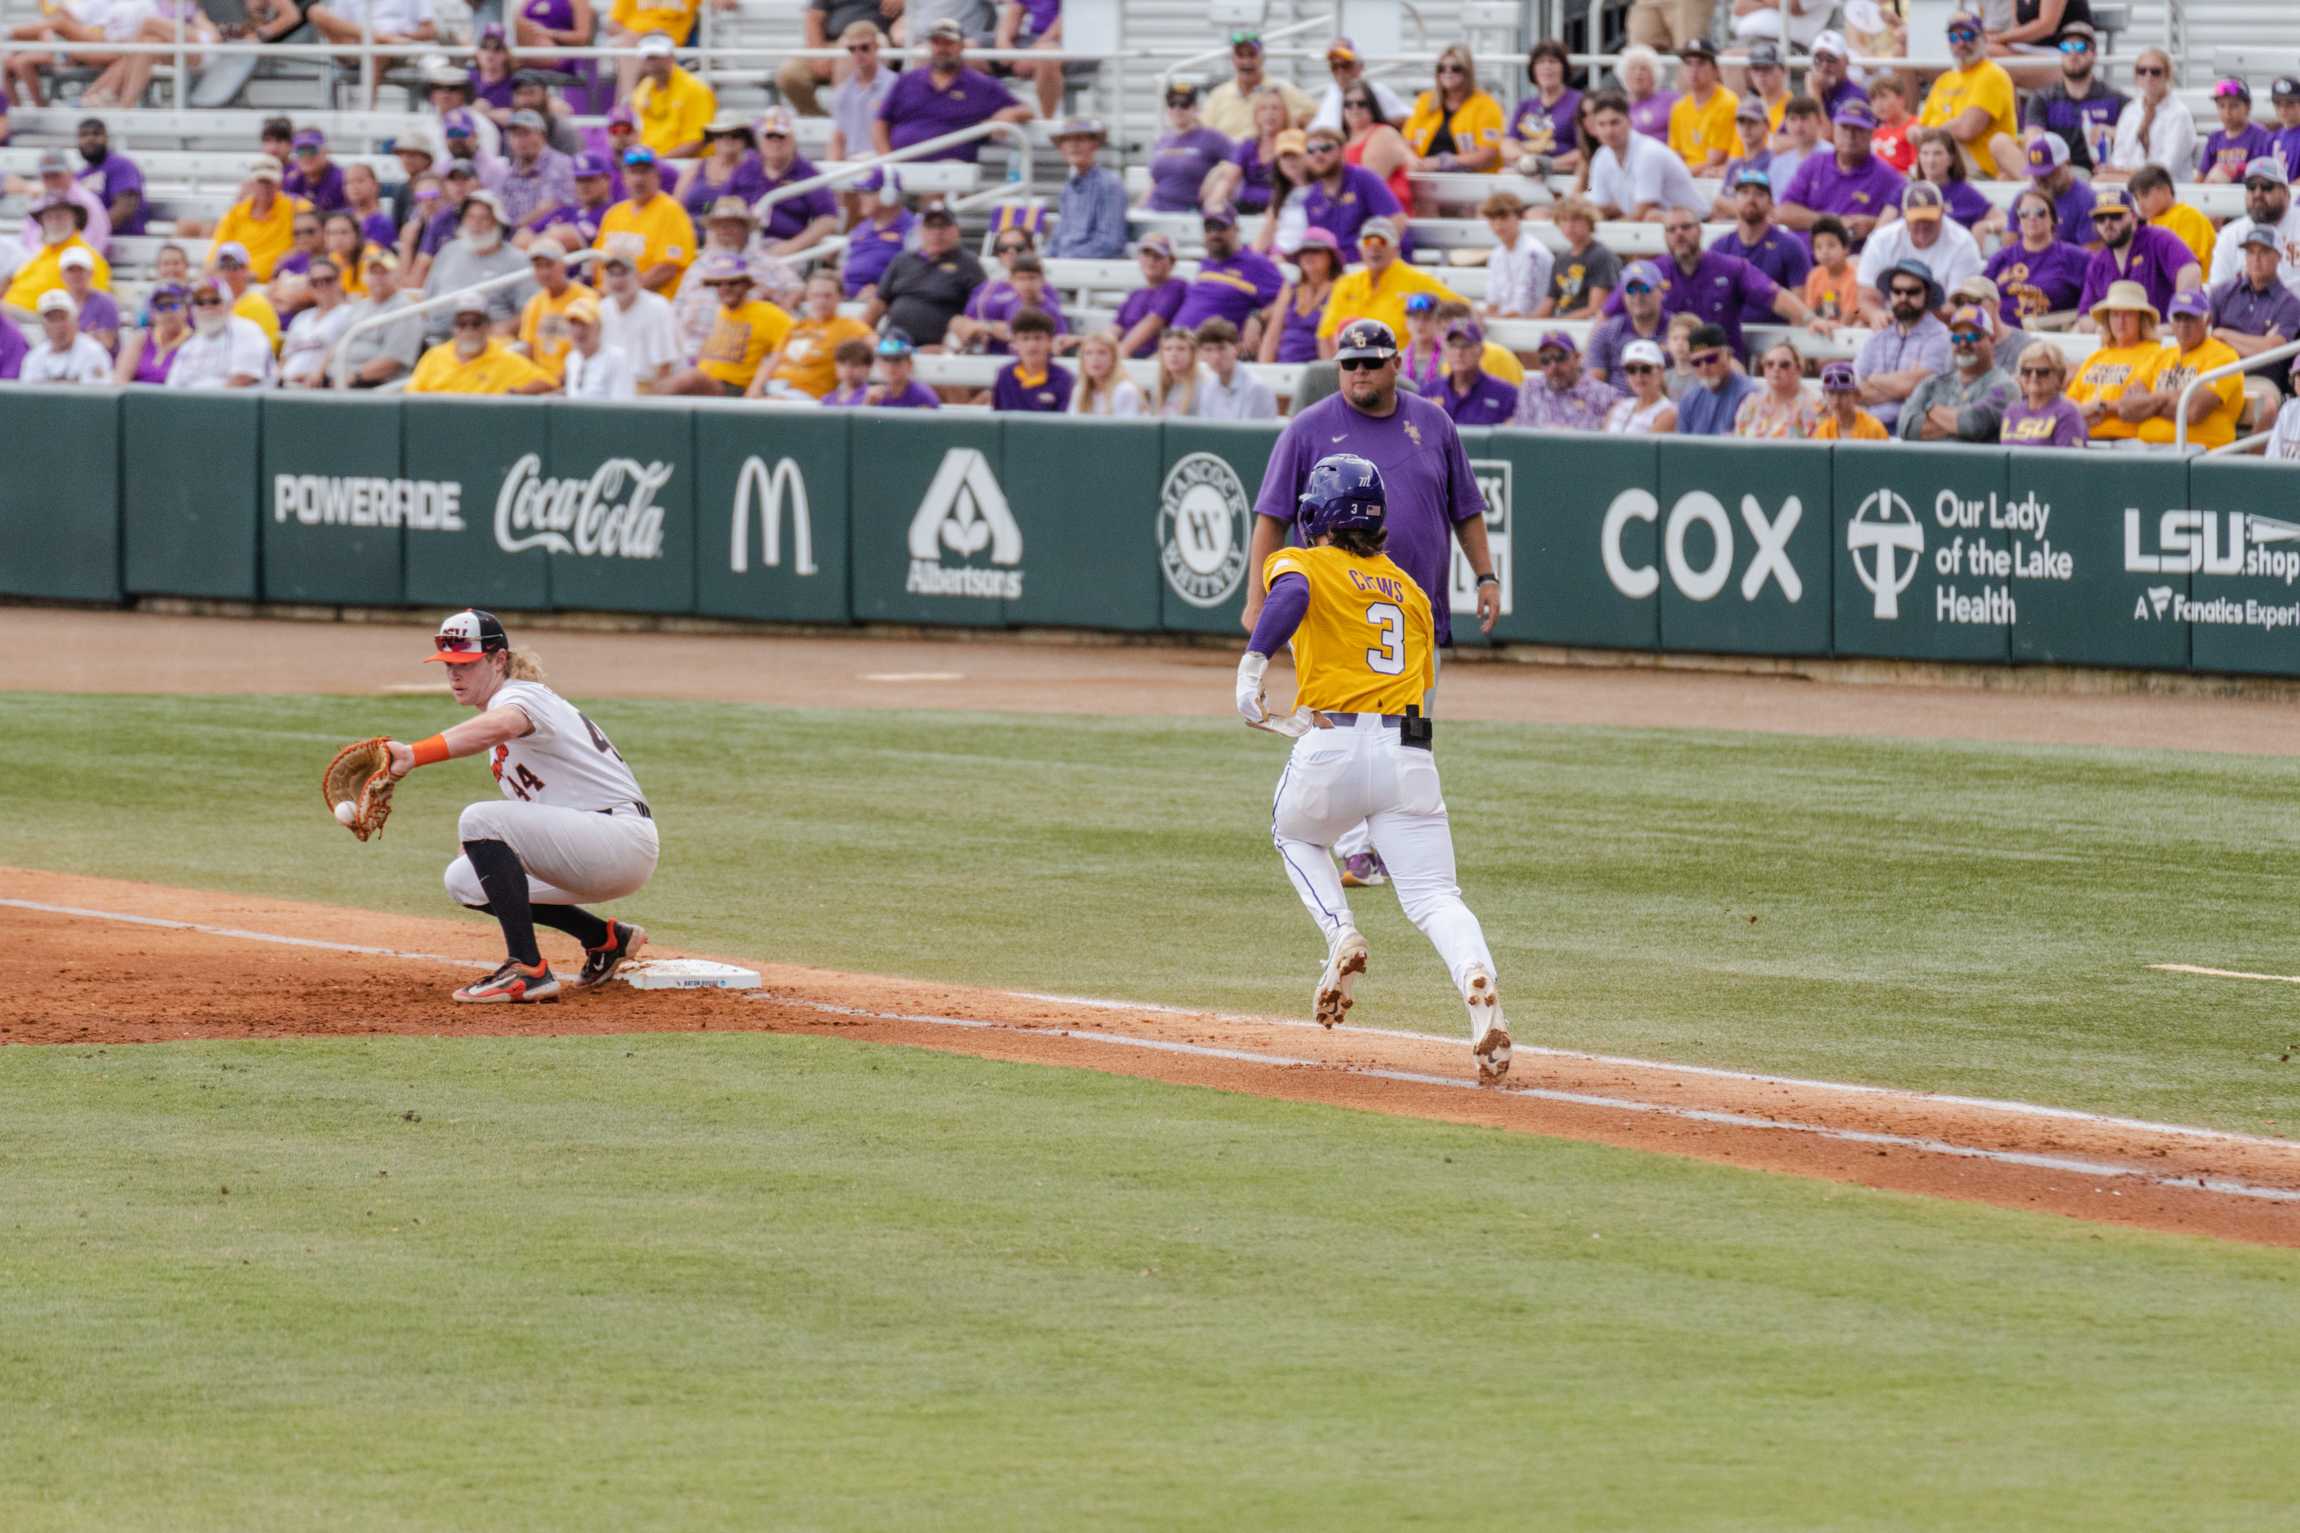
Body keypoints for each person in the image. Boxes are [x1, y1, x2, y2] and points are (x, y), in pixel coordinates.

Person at [1236, 451, 1510, 1075]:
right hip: (1409, 748)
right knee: (1437, 897)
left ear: (1317, 515)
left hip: (1332, 743)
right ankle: (1476, 982)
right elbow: (1421, 685)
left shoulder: (1302, 562)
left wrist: (1253, 667)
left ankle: (1341, 935)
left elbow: (1292, 595)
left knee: (1294, 834)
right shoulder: (1411, 591)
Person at [1246, 318, 1500, 892]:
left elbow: (1466, 508)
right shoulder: (1308, 429)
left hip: (1416, 609)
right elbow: (1272, 515)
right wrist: (1257, 598)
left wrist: (1486, 575)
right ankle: (1360, 847)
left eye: (1371, 361)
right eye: (1349, 363)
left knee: (1408, 725)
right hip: (1334, 610)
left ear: (1395, 364)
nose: (1360, 371)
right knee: (1339, 718)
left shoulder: (1432, 423)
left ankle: (1391, 841)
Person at [375, 610, 657, 1004]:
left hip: (617, 839)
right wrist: (480, 849)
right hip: (593, 845)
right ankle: (605, 938)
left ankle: (528, 968)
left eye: (466, 664)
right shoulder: (504, 724)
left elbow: (502, 724)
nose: (455, 675)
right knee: (464, 878)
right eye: (449, 665)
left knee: (477, 816)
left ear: (498, 660)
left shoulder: (520, 695)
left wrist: (413, 754)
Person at [1611, 206, 1815, 361]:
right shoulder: (1652, 273)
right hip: (1672, 370)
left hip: (1723, 368)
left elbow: (1774, 296)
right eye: (1671, 230)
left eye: (1686, 227)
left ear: (1700, 231)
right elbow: (1608, 311)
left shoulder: (1730, 267)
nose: (1679, 234)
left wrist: (1810, 319)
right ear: (1665, 236)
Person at [874, 19, 1032, 165]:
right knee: (861, 184)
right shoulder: (907, 81)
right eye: (937, 42)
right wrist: (887, 162)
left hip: (949, 173)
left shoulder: (980, 85)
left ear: (962, 46)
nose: (942, 48)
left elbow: (1026, 110)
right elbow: (881, 121)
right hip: (899, 166)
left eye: (949, 43)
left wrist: (1009, 114)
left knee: (938, 189)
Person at [2118, 288, 2244, 450]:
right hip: (2145, 446)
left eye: (2190, 318)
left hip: (2198, 449)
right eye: (2178, 318)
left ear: (2207, 320)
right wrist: (2170, 397)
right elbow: (2125, 409)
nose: (2183, 325)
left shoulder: (2224, 357)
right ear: (2170, 321)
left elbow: (2193, 411)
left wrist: (2149, 401)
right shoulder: (2161, 356)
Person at [1317, 218, 1462, 358]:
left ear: (1395, 249)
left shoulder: (1416, 281)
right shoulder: (1345, 284)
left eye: (1382, 241)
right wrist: (1337, 375)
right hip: (1353, 367)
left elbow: (1463, 309)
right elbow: (1325, 335)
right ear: (1360, 249)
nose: (1374, 248)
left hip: (1400, 369)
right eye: (1368, 242)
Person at [1777, 101, 1905, 246]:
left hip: (1853, 260)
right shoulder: (1814, 163)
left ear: (1871, 134)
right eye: (1845, 128)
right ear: (1834, 129)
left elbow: (1906, 223)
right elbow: (1783, 212)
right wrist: (1835, 222)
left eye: (1858, 129)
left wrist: (1875, 224)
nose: (1850, 135)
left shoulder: (1887, 177)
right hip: (1805, 254)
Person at [2075, 185, 2201, 330]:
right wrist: (2103, 329)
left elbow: (2190, 270)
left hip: (2165, 339)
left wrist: (2178, 319)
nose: (2107, 224)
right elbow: (2084, 315)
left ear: (2134, 218)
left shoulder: (2159, 239)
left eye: (2116, 216)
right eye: (2100, 218)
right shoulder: (2098, 262)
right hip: (2119, 345)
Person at [661, 254, 788, 395]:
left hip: (734, 387)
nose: (725, 288)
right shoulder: (720, 311)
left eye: (732, 283)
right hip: (707, 381)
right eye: (718, 284)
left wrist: (758, 385)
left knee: (689, 379)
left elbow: (794, 341)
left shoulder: (767, 312)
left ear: (747, 285)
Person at [1917, 11, 2021, 178]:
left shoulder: (1992, 74)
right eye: (1953, 37)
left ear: (1984, 38)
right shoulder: (1944, 79)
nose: (1960, 43)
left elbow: (1968, 129)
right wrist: (1932, 131)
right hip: (1943, 162)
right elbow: (1920, 128)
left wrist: (1931, 131)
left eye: (1967, 35)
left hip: (1979, 168)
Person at [866, 205, 984, 350]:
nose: (937, 232)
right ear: (920, 230)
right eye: (930, 226)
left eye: (943, 226)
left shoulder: (968, 263)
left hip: (940, 347)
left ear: (955, 230)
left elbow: (981, 307)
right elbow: (879, 302)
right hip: (894, 344)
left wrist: (952, 346)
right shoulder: (903, 260)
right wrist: (864, 333)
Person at [1856, 183, 1980, 321]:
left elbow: (1958, 305)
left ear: (1942, 213)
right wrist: (1875, 315)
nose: (1923, 225)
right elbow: (1865, 297)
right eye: (1916, 219)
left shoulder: (1962, 242)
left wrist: (1909, 319)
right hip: (1889, 324)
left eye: (1929, 218)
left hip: (1941, 328)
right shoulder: (1881, 240)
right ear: (1904, 215)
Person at [422, 190, 531, 343]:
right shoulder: (448, 251)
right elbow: (428, 299)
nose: (475, 224)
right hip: (437, 337)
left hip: (487, 340)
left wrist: (506, 327)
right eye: (470, 217)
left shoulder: (518, 260)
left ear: (497, 222)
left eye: (484, 218)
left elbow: (531, 310)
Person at [1854, 258, 1950, 430]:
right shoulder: (1880, 332)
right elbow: (1854, 391)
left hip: (1912, 429)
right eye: (1897, 291)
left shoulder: (1939, 335)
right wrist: (1900, 388)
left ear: (1926, 294)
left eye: (1912, 291)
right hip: (1869, 426)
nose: (1903, 297)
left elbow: (1919, 388)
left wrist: (1873, 379)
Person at [1169, 205, 1283, 350]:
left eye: (1221, 227)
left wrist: (1258, 317)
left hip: (1213, 351)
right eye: (1209, 228)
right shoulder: (1207, 263)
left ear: (1236, 229)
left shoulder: (1256, 263)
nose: (1214, 234)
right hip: (1177, 345)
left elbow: (1287, 301)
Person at [1898, 303, 2014, 442]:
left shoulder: (2005, 386)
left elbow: (1973, 425)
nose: (1963, 344)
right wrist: (1955, 424)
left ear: (1991, 340)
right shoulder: (1932, 384)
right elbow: (1906, 428)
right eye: (1957, 338)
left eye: (1972, 337)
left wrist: (1930, 408)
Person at [2067, 280, 2167, 442]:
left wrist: (2099, 407)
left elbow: (2140, 402)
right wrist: (2082, 410)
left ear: (2141, 319)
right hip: (2081, 435)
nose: (2120, 322)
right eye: (2115, 314)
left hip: (2124, 440)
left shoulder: (2157, 355)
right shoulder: (2097, 356)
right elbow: (2071, 398)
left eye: (2127, 314)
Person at [1583, 89, 1703, 222]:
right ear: (1595, 127)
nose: (1609, 131)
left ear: (1629, 122)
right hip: (1659, 230)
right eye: (1602, 124)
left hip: (1696, 226)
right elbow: (1598, 206)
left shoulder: (1648, 153)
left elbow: (1643, 211)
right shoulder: (1601, 156)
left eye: (1615, 122)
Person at [2021, 20, 2125, 172]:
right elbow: (2034, 142)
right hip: (2054, 173)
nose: (2073, 53)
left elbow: (2138, 138)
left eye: (2080, 47)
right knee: (2000, 144)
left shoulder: (2115, 99)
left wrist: (2111, 132)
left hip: (2101, 176)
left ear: (2094, 54)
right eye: (2066, 47)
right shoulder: (2043, 98)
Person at [595, 147, 696, 297]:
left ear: (657, 176)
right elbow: (597, 261)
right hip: (612, 301)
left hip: (654, 301)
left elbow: (667, 268)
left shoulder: (671, 211)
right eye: (633, 172)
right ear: (624, 178)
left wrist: (625, 293)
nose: (639, 179)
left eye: (645, 172)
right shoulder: (614, 213)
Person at [1984, 187, 2090, 329]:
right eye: (2024, 213)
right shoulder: (2001, 258)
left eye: (2040, 212)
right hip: (2003, 336)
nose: (2032, 218)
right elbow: (1980, 296)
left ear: (2054, 219)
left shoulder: (2075, 257)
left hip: (2053, 336)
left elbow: (2098, 291)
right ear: (2017, 221)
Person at [756, 269, 871, 399]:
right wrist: (752, 393)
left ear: (840, 297)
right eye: (816, 295)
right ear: (808, 297)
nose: (821, 301)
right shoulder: (796, 327)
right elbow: (771, 363)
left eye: (827, 296)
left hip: (809, 395)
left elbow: (876, 345)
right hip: (775, 389)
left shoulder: (849, 326)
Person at [1712, 169, 1809, 323]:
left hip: (1778, 337)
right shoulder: (1720, 247)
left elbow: (1800, 302)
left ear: (1771, 203)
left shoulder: (1790, 245)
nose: (1751, 199)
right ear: (1735, 200)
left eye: (1759, 194)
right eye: (1744, 192)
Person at [1298, 122, 1405, 261]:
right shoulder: (1311, 198)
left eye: (1326, 147)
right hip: (1335, 270)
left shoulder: (1363, 179)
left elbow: (1396, 221)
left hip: (1369, 263)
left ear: (1343, 150)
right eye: (1311, 150)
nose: (1318, 154)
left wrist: (1374, 256)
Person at [405, 295, 552, 394]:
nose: (469, 330)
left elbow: (547, 381)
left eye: (476, 323)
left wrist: (517, 394)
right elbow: (412, 395)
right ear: (454, 328)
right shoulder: (435, 356)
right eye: (462, 324)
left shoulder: (503, 358)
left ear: (487, 327)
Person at [1402, 43, 1504, 174]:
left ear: (1467, 72)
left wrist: (1445, 162)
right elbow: (1406, 142)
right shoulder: (1425, 101)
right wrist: (1414, 161)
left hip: (1469, 178)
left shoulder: (1486, 105)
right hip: (1424, 175)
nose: (1447, 72)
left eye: (1455, 68)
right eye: (1441, 68)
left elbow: (1488, 154)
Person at [2209, 225, 2300, 369]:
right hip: (2216, 370)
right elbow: (2204, 337)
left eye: (2264, 252)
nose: (2256, 259)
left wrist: (2222, 334)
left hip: (2261, 377)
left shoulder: (2290, 304)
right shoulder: (2223, 292)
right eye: (2250, 252)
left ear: (2279, 256)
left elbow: (2272, 351)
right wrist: (2259, 344)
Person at [780, 1, 890, 119]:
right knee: (790, 74)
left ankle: (860, 120)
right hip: (831, 44)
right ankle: (821, 121)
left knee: (851, 54)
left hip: (873, 42)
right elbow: (814, 16)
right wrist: (818, 55)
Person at [331, 248, 423, 388]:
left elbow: (393, 361)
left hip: (376, 384)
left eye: (384, 272)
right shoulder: (358, 306)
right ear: (365, 277)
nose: (378, 278)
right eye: (373, 272)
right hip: (339, 377)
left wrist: (354, 376)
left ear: (396, 276)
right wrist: (318, 373)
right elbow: (335, 346)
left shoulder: (405, 309)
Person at [2207, 158, 2300, 295]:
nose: (2257, 194)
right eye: (2251, 187)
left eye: (2266, 187)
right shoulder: (2230, 235)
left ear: (2286, 193)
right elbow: (2218, 291)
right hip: (2246, 313)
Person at [2100, 49, 2194, 183]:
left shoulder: (2179, 114)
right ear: (2136, 76)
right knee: (2099, 180)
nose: (2148, 76)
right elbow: (2119, 157)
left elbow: (2166, 168)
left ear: (2167, 75)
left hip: (2167, 185)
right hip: (2132, 181)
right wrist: (2119, 171)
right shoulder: (2130, 110)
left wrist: (2128, 172)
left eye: (2155, 72)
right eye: (2142, 71)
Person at [951, 245, 1065, 355]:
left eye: (1032, 278)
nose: (1027, 284)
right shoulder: (1012, 304)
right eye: (1021, 279)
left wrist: (986, 327)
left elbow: (1058, 340)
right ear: (1012, 281)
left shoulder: (1049, 308)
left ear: (1042, 280)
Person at [168, 276, 276, 389]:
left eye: (214, 301)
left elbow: (241, 380)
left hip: (237, 404)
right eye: (200, 302)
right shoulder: (190, 345)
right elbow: (172, 386)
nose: (207, 307)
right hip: (194, 403)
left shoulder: (247, 330)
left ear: (228, 304)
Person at [594, 250, 680, 391]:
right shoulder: (602, 308)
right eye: (612, 274)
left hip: (649, 387)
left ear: (638, 278)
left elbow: (665, 366)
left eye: (623, 273)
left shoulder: (657, 306)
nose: (617, 280)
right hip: (614, 387)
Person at [1202, 30, 1315, 137]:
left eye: (1252, 55)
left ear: (1262, 58)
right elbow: (1203, 132)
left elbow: (1315, 116)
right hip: (1227, 156)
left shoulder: (1282, 91)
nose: (1246, 62)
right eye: (1241, 56)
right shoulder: (1219, 96)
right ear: (1233, 59)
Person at [210, 157, 305, 281]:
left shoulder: (296, 207)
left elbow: (311, 242)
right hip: (237, 278)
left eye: (270, 182)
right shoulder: (236, 212)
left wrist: (289, 258)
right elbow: (217, 250)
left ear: (279, 184)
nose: (266, 187)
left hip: (276, 280)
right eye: (261, 182)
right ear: (251, 184)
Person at [1145, 80, 1233, 213]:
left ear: (1196, 108)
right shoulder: (1163, 140)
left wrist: (1218, 171)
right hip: (1155, 210)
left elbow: (1238, 161)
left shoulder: (1211, 137)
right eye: (1172, 104)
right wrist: (1139, 208)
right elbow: (1153, 183)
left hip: (1189, 213)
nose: (1177, 109)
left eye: (1184, 104)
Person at [514, 239, 593, 384]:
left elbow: (588, 348)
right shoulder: (534, 303)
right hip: (541, 379)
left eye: (549, 265)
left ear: (562, 265)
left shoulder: (585, 298)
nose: (544, 272)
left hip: (575, 376)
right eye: (538, 266)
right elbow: (528, 350)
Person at [1048, 116, 1126, 259]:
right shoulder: (1068, 188)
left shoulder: (1109, 184)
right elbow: (1058, 237)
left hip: (1090, 269)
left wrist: (1065, 258)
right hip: (1066, 263)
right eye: (1068, 140)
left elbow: (1110, 243)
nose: (1074, 145)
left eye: (1080, 139)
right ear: (1062, 148)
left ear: (1094, 145)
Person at [630, 32, 716, 160]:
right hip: (649, 162)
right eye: (649, 58)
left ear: (671, 57)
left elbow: (697, 141)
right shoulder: (642, 89)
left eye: (658, 57)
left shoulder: (695, 89)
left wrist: (660, 161)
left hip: (687, 162)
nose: (654, 63)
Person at [1260, 226, 1338, 365]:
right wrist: (1264, 372)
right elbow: (1272, 334)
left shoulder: (1341, 288)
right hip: (1284, 365)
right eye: (1304, 251)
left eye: (1315, 251)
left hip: (1319, 370)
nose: (1308, 256)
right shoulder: (1290, 288)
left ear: (1331, 257)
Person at [823, 19, 896, 164]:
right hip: (851, 166)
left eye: (864, 47)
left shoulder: (895, 85)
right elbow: (839, 138)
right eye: (852, 49)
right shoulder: (842, 92)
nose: (858, 53)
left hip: (884, 163)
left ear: (876, 47)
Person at [1585, 259, 1670, 384]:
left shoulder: (1677, 330)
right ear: (1623, 296)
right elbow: (1594, 384)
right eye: (1630, 290)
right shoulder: (1606, 332)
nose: (1638, 296)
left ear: (1661, 292)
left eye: (1645, 288)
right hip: (1616, 401)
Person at [1513, 329, 1616, 431]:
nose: (1553, 366)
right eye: (1545, 360)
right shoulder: (1530, 390)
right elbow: (1522, 433)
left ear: (1577, 358)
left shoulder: (1603, 394)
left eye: (1560, 358)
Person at [1210, 88, 1292, 216]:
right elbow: (1227, 180)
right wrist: (1214, 203)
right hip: (1246, 207)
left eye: (1275, 108)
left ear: (1285, 114)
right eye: (1263, 109)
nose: (1269, 114)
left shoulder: (1291, 145)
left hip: (1280, 209)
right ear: (1256, 116)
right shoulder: (1248, 146)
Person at [1309, 35, 1412, 136]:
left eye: (1345, 65)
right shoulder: (1332, 91)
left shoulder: (1375, 90)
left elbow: (1408, 118)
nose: (1340, 71)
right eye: (1334, 66)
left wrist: (1377, 126)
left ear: (1360, 66)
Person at [1667, 39, 1741, 176]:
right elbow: (1674, 154)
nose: (1694, 70)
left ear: (1716, 70)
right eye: (1688, 63)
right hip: (1686, 175)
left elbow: (1715, 159)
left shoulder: (1728, 102)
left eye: (1701, 63)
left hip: (1712, 178)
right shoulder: (1679, 107)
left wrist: (1678, 174)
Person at [1508, 39, 1582, 174]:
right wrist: (1526, 161)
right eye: (1540, 62)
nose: (1547, 67)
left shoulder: (1579, 103)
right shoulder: (1525, 105)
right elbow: (1507, 144)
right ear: (1533, 70)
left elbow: (1586, 150)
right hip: (1527, 172)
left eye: (1553, 61)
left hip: (1563, 175)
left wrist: (1548, 165)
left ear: (1564, 68)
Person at [1536, 197, 1617, 320]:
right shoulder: (1560, 259)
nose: (1569, 226)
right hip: (1560, 323)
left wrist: (1556, 323)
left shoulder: (1601, 256)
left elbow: (1596, 309)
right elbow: (1549, 302)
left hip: (1585, 328)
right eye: (1564, 220)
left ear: (1590, 221)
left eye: (1576, 219)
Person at [278, 257, 353, 386]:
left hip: (318, 386)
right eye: (315, 282)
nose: (322, 286)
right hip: (286, 384)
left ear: (339, 281)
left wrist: (319, 376)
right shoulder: (301, 317)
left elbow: (339, 353)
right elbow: (285, 357)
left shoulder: (349, 313)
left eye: (328, 280)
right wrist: (278, 378)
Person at [1478, 189, 1553, 319]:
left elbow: (1524, 308)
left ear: (1518, 217)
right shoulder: (1496, 254)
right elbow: (1492, 302)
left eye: (1504, 217)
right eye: (1492, 219)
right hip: (1505, 320)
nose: (1498, 224)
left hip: (1531, 323)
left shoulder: (1533, 253)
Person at [2131, 164, 2216, 275]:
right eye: (2137, 199)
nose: (2140, 204)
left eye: (2145, 195)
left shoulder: (2189, 217)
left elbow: (2186, 263)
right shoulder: (2146, 223)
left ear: (2165, 190)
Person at [1997, 341, 2087, 444]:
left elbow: (2069, 458)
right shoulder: (2011, 412)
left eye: (2043, 372)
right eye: (2027, 371)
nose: (2033, 376)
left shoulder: (2068, 415)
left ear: (2059, 377)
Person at [1911, 127, 1998, 235]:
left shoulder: (1965, 193)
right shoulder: (1909, 192)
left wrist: (1984, 226)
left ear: (1951, 159)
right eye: (1925, 153)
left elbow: (2002, 219)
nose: (1930, 160)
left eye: (1937, 153)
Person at [1674, 322, 1755, 434]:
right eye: (1696, 362)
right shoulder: (1689, 400)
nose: (1704, 367)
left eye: (1711, 359)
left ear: (1728, 356)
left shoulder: (1749, 396)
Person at [1116, 233, 1187, 358]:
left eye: (1158, 256)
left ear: (1172, 261)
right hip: (1129, 355)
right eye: (1146, 254)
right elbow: (1115, 329)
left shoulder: (1176, 287)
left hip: (1150, 357)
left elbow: (1153, 322)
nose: (1151, 260)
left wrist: (1120, 352)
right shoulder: (1135, 295)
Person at [1733, 337, 1817, 437]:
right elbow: (1738, 437)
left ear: (1798, 369)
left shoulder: (1812, 405)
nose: (1776, 369)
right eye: (1770, 364)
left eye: (1784, 365)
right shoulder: (1751, 402)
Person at [72, 117, 143, 236]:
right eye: (84, 135)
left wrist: (93, 234)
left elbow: (125, 207)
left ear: (106, 138)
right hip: (92, 243)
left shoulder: (122, 165)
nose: (90, 139)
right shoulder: (80, 176)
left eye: (96, 134)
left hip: (123, 241)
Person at [21, 288, 109, 383]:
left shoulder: (93, 352)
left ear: (75, 320)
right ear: (44, 325)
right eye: (52, 319)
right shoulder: (34, 357)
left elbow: (97, 392)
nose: (58, 325)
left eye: (62, 318)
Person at [2201, 78, 2277, 186]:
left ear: (2248, 107)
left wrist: (2236, 169)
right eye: (2221, 106)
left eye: (2234, 106)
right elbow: (2201, 175)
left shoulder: (2261, 136)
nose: (2227, 112)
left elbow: (2266, 173)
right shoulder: (2214, 138)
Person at [115, 279, 190, 385]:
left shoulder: (194, 342)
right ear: (152, 313)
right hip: (138, 398)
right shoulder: (142, 338)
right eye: (161, 307)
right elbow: (120, 378)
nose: (167, 312)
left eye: (173, 305)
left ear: (186, 309)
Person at [1604, 339, 1677, 432]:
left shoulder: (1668, 413)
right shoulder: (1619, 406)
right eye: (1631, 369)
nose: (1638, 376)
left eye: (1645, 369)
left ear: (1661, 371)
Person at [53, 246, 115, 352]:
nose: (76, 275)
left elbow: (107, 343)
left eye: (81, 270)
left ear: (91, 273)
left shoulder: (105, 303)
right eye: (71, 270)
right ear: (62, 275)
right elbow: (53, 341)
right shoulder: (56, 303)